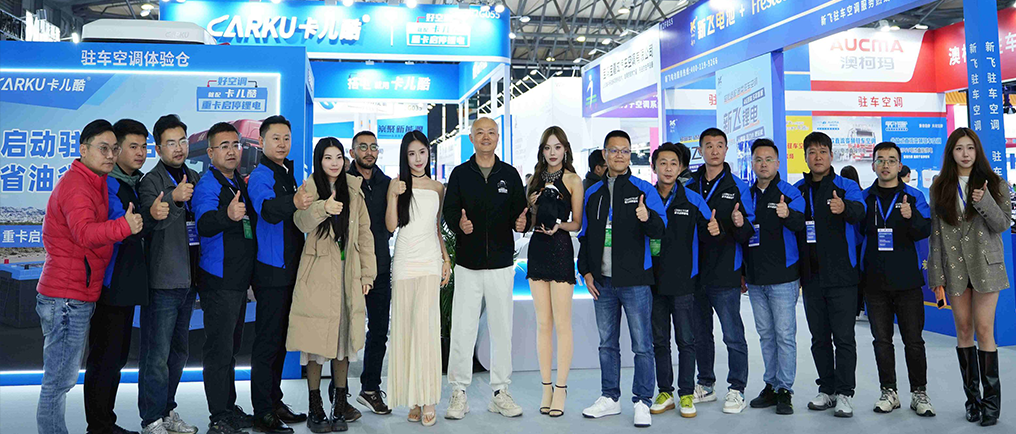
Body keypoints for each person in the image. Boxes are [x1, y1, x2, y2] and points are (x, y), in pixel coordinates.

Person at [36, 119, 143, 434]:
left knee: (62, 378)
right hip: (66, 295)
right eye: (102, 148)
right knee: (58, 380)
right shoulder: (77, 185)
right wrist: (125, 226)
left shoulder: (93, 180)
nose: (110, 155)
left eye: (113, 149)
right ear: (83, 149)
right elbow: (84, 233)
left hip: (76, 292)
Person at [287, 137, 377, 433]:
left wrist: (368, 274)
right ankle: (315, 409)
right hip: (317, 274)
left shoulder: (354, 188)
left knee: (343, 343)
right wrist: (323, 208)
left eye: (338, 157)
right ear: (319, 160)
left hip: (348, 275)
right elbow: (300, 222)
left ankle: (340, 406)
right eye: (328, 157)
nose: (334, 163)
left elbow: (365, 234)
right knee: (315, 344)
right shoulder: (310, 187)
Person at [578, 130, 667, 427]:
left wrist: (647, 217)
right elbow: (585, 235)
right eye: (614, 150)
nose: (619, 155)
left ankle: (642, 400)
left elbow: (661, 230)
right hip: (602, 282)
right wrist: (586, 271)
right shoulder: (592, 193)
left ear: (631, 155)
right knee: (607, 344)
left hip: (636, 282)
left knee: (642, 344)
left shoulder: (644, 190)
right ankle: (610, 398)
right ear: (604, 154)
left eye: (625, 151)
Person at [442, 117, 528, 420]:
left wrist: (524, 222)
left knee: (502, 329)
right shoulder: (460, 174)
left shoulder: (510, 174)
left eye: (491, 132)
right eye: (480, 133)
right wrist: (459, 224)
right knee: (462, 329)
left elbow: (521, 212)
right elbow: (449, 211)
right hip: (468, 264)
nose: (486, 137)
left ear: (498, 137)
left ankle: (500, 391)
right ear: (471, 138)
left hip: (502, 265)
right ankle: (459, 392)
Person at [928, 128, 1008, 427]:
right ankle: (972, 401)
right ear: (951, 152)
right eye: (959, 148)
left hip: (986, 265)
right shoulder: (940, 186)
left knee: (984, 330)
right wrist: (936, 275)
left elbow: (1003, 223)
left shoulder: (994, 183)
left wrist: (985, 201)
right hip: (955, 267)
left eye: (970, 148)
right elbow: (936, 235)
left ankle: (991, 404)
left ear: (978, 151)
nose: (965, 154)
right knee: (963, 330)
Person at [83, 119, 153, 434]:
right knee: (105, 358)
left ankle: (104, 422)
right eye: (132, 146)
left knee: (116, 357)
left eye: (144, 147)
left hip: (127, 281)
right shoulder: (109, 183)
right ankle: (99, 425)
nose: (140, 153)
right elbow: (118, 226)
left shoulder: (134, 182)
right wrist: (146, 218)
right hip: (110, 282)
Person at [137, 114, 204, 434]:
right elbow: (151, 224)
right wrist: (174, 199)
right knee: (157, 356)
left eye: (183, 141)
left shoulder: (194, 175)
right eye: (171, 143)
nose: (179, 148)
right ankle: (151, 419)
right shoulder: (150, 182)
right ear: (158, 148)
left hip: (189, 279)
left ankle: (166, 411)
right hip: (163, 280)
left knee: (179, 353)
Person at [859, 142, 935, 417]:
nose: (886, 165)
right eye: (880, 160)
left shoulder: (914, 196)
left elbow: (925, 230)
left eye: (891, 160)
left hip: (907, 281)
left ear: (900, 166)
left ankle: (919, 393)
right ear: (873, 166)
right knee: (882, 341)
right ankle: (889, 391)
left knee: (913, 340)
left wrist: (910, 216)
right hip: (874, 281)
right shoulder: (865, 198)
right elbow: (856, 234)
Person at [794, 131, 866, 418]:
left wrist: (844, 207)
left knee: (844, 338)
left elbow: (860, 211)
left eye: (823, 151)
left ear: (831, 155)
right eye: (812, 152)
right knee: (819, 338)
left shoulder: (846, 186)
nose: (818, 157)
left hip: (843, 276)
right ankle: (827, 389)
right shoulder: (798, 189)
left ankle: (845, 393)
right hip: (811, 277)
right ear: (805, 157)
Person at [683, 128, 754, 414]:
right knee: (700, 333)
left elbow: (749, 232)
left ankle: (737, 388)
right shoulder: (688, 185)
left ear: (726, 150)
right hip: (694, 272)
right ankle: (706, 384)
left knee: (732, 334)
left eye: (720, 145)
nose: (714, 150)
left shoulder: (738, 186)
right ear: (700, 150)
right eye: (709, 146)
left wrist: (737, 223)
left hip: (726, 271)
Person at [647, 142, 720, 419]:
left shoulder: (693, 200)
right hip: (652, 282)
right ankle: (665, 392)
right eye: (663, 163)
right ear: (654, 167)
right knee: (659, 340)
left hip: (684, 282)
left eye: (673, 164)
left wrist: (714, 228)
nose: (668, 168)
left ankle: (686, 393)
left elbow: (709, 231)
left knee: (686, 341)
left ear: (681, 168)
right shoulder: (646, 197)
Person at [246, 115, 309, 433]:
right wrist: (294, 201)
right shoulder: (261, 175)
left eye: (286, 138)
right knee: (267, 343)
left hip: (289, 269)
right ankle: (262, 412)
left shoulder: (286, 173)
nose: (282, 144)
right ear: (261, 142)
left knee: (280, 342)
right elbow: (268, 211)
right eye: (275, 138)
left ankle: (274, 401)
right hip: (271, 270)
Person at [193, 122, 257, 434]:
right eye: (224, 146)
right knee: (219, 351)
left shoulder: (235, 181)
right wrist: (227, 216)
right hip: (219, 280)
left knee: (230, 350)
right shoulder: (209, 185)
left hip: (237, 280)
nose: (232, 151)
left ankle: (229, 408)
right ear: (210, 153)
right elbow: (204, 224)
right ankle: (218, 415)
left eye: (235, 144)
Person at [384, 131, 451, 427]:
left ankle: (428, 398)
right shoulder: (397, 184)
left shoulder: (438, 188)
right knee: (405, 329)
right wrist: (392, 195)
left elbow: (437, 228)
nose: (417, 159)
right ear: (405, 156)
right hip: (404, 260)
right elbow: (391, 226)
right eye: (411, 154)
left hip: (430, 260)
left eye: (422, 152)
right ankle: (413, 397)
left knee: (426, 329)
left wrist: (445, 258)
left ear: (428, 153)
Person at [523, 126, 583, 418]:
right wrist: (530, 207)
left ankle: (561, 388)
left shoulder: (573, 180)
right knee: (543, 323)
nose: (552, 153)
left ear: (565, 149)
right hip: (537, 248)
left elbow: (577, 223)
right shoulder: (533, 180)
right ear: (542, 151)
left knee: (562, 323)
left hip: (560, 248)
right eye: (547, 147)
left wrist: (560, 225)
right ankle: (546, 387)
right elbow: (526, 220)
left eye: (557, 147)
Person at [743, 139, 806, 415]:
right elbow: (742, 235)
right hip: (755, 277)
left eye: (769, 159)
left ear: (778, 163)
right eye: (758, 159)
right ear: (752, 163)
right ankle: (770, 385)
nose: (763, 164)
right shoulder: (746, 194)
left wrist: (787, 214)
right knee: (766, 335)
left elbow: (802, 225)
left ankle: (785, 390)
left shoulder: (790, 192)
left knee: (784, 335)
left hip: (783, 276)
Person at [346, 131, 394, 415]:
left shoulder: (387, 184)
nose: (369, 152)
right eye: (362, 147)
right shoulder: (342, 181)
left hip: (380, 267)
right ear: (352, 152)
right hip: (349, 268)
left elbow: (392, 224)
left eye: (373, 147)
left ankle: (370, 388)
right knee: (343, 332)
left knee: (378, 331)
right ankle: (339, 396)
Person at [838, 166, 865, 321]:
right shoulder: (862, 194)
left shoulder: (847, 196)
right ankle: (861, 306)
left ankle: (855, 308)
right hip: (859, 242)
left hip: (850, 242)